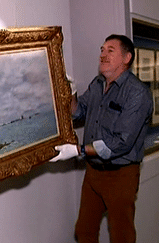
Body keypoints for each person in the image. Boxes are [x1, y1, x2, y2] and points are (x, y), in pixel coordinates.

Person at [50, 34, 153, 243]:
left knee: (121, 236)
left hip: (121, 175)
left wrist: (77, 150)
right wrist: (70, 93)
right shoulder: (97, 84)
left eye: (110, 50)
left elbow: (121, 143)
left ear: (127, 58)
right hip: (94, 173)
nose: (103, 55)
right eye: (102, 50)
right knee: (84, 232)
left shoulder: (137, 93)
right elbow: (77, 112)